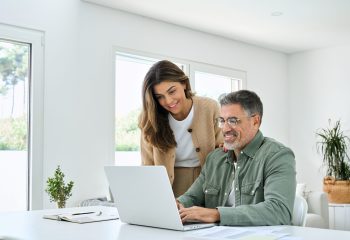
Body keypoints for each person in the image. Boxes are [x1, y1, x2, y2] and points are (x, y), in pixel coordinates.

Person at [177, 90, 296, 226]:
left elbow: (279, 211)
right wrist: (177, 204)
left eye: (233, 121)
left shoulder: (277, 156)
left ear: (255, 121)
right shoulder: (215, 158)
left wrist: (216, 214)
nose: (225, 129)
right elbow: (192, 197)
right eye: (222, 121)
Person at [139, 60, 223, 197]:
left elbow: (222, 149)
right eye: (160, 97)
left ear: (184, 83)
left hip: (207, 183)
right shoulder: (150, 118)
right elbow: (147, 165)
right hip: (168, 187)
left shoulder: (210, 107)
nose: (168, 101)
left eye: (172, 91)